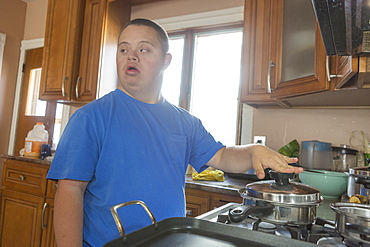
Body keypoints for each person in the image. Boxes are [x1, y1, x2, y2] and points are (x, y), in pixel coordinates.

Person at [46, 18, 302, 247]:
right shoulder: (91, 117)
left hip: (170, 241)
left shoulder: (185, 122)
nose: (131, 56)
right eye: (124, 49)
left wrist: (252, 150)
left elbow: (222, 156)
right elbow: (70, 191)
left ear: (166, 61)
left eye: (143, 49)